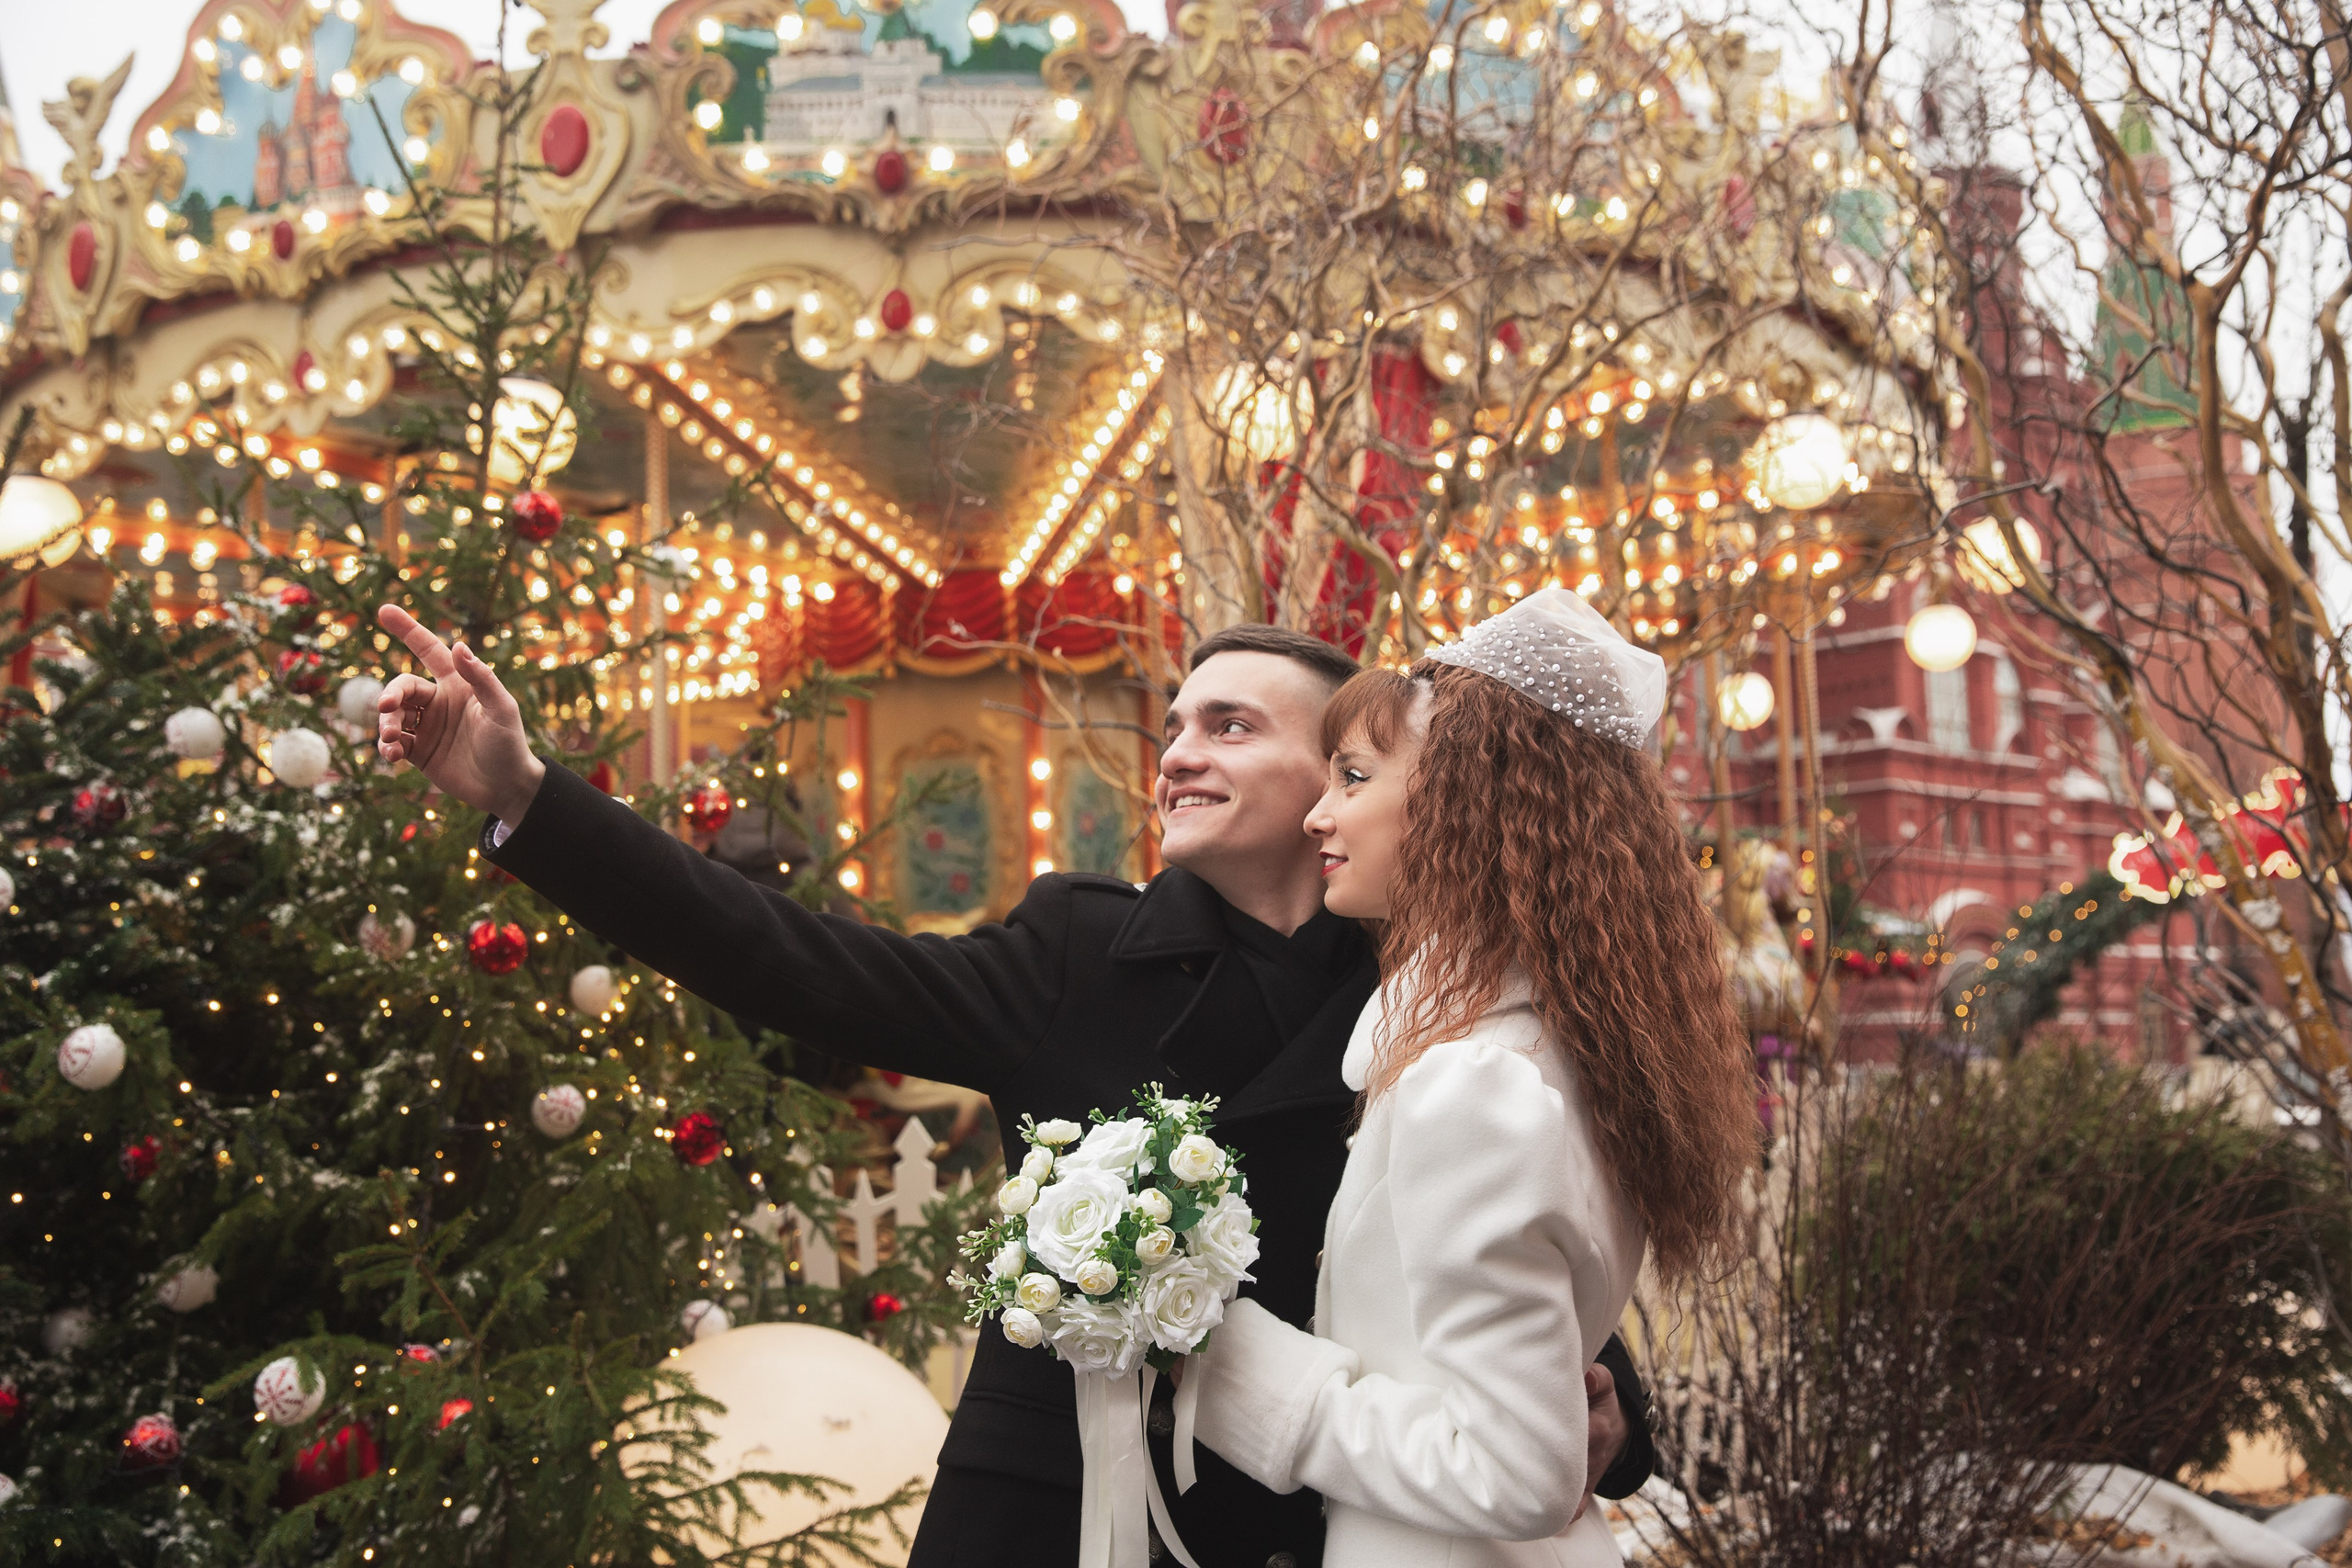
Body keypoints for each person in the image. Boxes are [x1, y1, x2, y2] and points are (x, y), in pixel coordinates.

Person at [369, 602, 1657, 1568]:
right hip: (1052, 1508)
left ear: (1346, 774)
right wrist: (531, 799)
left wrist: (1604, 1405)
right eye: (1173, 726)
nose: (1179, 755)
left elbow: (1497, 1244)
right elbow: (793, 960)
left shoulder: (1419, 995)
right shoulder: (1074, 949)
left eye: (1232, 724)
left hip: (1296, 1517)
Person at [1188, 590, 1758, 1568]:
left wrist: (1230, 1365)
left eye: (1356, 777)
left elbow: (1515, 1473)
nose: (1321, 814)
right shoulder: (1555, 1046)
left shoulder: (1472, 1086)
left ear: (1459, 804)